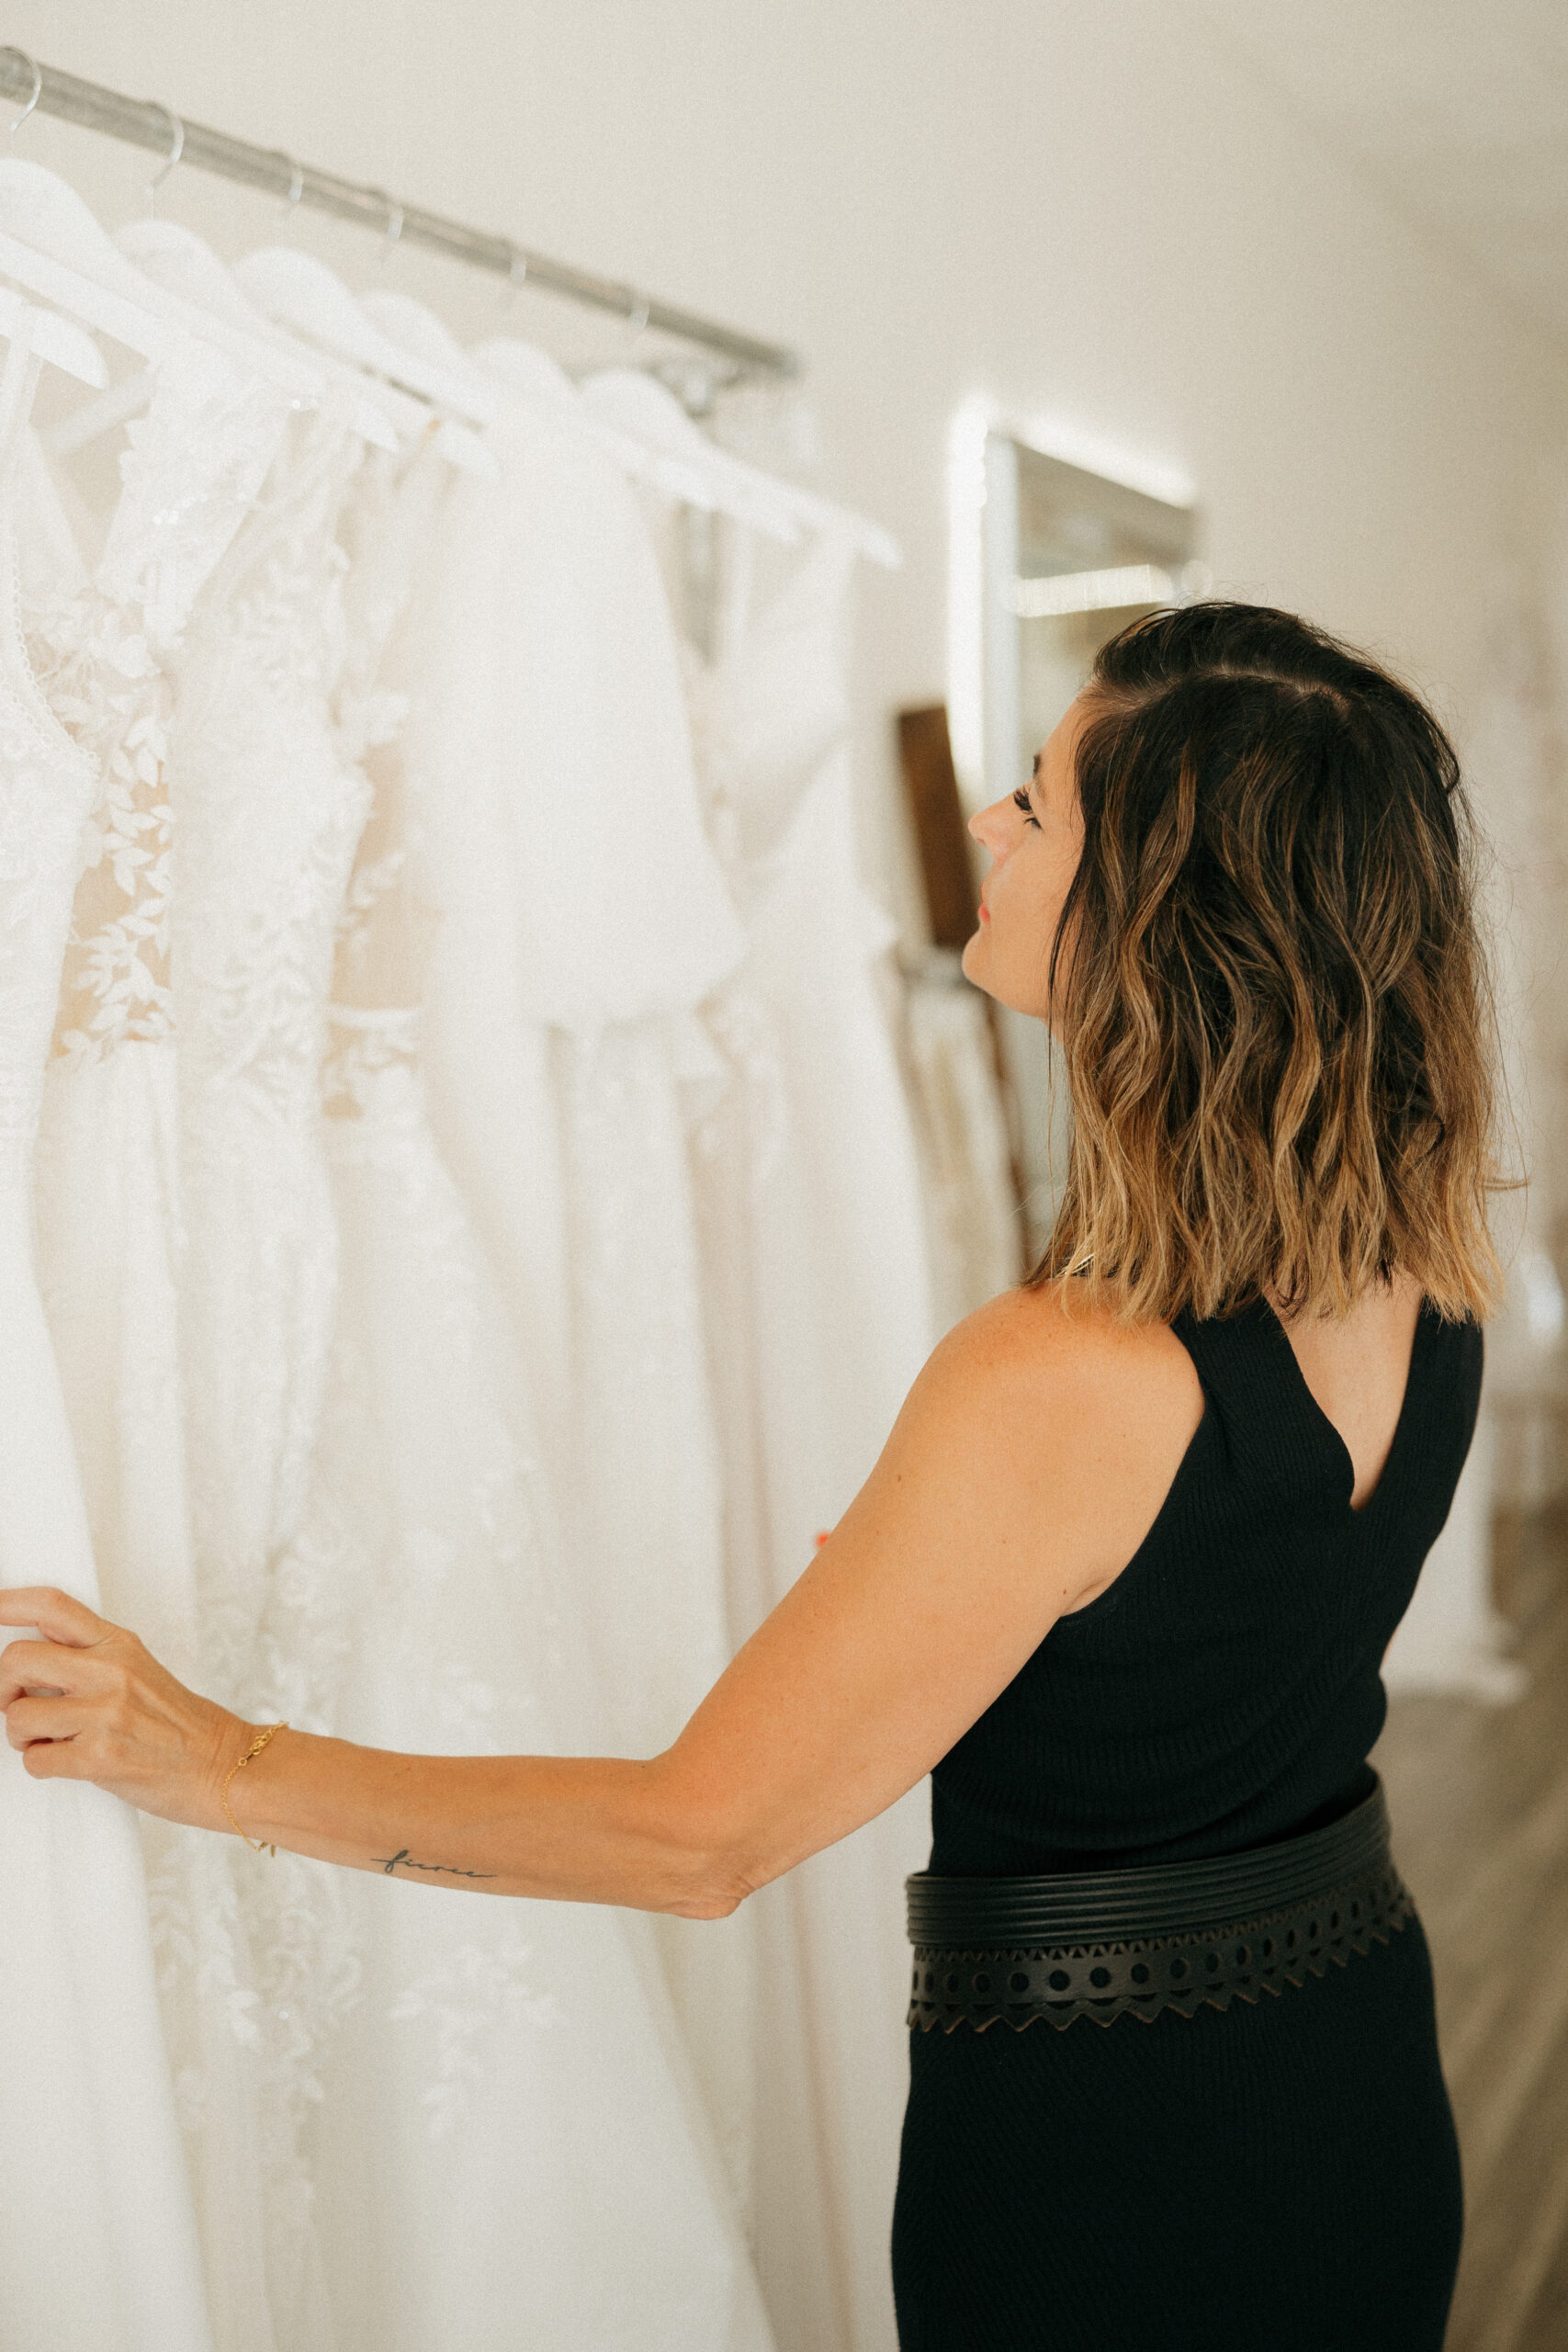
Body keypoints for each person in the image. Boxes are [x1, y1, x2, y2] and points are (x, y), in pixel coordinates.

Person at [3, 603, 1499, 2349]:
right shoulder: (1423, 1276)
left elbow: (695, 1839)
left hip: (1118, 2160)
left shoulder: (1064, 1377)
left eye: (1038, 804)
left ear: (1158, 918)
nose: (992, 830)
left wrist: (219, 1757)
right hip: (1350, 2074)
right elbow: (1214, 1641)